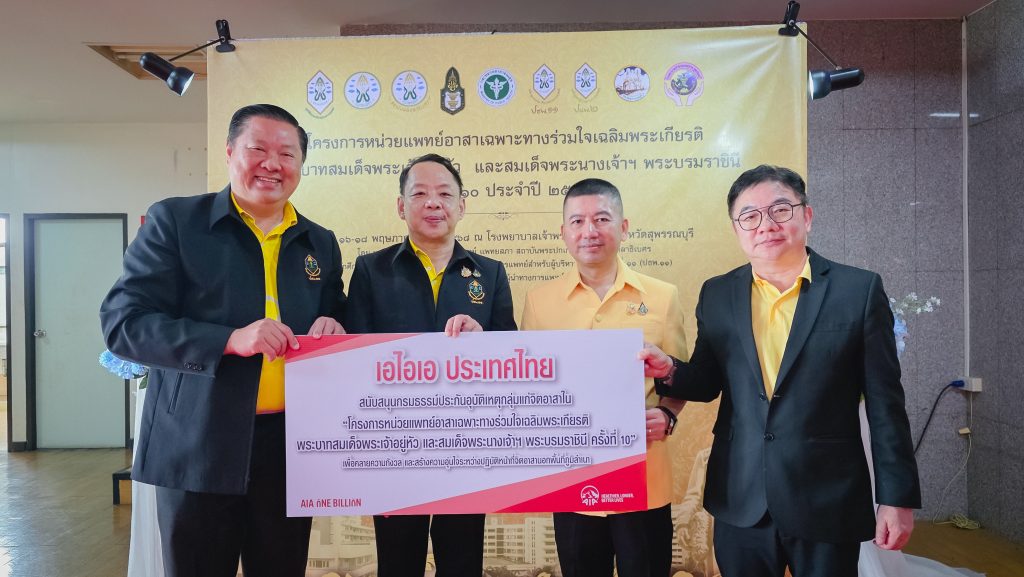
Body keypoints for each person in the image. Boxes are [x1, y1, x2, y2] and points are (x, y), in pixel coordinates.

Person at [100, 103, 346, 577]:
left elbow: (335, 311)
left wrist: (335, 324)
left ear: (301, 165)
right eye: (258, 149)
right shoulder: (177, 221)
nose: (273, 164)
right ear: (230, 151)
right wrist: (230, 339)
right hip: (197, 443)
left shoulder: (320, 242)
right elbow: (124, 324)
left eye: (287, 154)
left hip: (290, 449)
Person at [640, 165, 921, 577]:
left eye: (780, 210)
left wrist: (896, 498)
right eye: (749, 216)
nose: (766, 225)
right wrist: (669, 369)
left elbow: (885, 404)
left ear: (806, 215)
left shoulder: (857, 291)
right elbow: (707, 380)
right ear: (736, 229)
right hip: (741, 494)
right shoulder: (718, 293)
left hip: (826, 495)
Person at [344, 153, 517, 577]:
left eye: (444, 194)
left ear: (462, 206)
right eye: (419, 193)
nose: (433, 203)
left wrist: (484, 342)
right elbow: (353, 362)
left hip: (467, 447)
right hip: (393, 448)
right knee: (397, 563)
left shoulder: (490, 274)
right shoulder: (371, 270)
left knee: (462, 563)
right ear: (401, 207)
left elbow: (512, 358)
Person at [521, 178, 687, 577]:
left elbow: (681, 376)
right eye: (577, 221)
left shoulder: (662, 297)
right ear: (563, 233)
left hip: (644, 477)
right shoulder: (539, 302)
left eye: (601, 219)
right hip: (572, 479)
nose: (589, 231)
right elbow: (529, 388)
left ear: (623, 227)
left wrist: (668, 414)